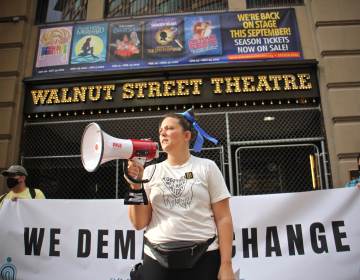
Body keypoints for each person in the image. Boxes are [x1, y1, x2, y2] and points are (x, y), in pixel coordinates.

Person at [127, 109, 235, 280]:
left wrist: (226, 264)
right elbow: (139, 223)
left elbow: (223, 218)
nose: (163, 132)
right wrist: (136, 186)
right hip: (156, 258)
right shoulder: (150, 171)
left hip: (204, 257)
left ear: (187, 136)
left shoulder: (207, 167)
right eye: (161, 130)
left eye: (169, 128)